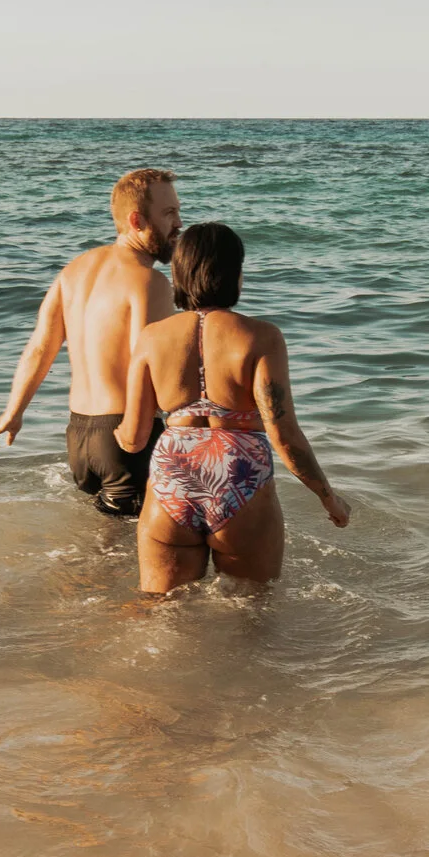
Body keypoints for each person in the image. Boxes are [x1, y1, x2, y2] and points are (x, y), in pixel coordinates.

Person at [115, 223, 350, 593]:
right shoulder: (262, 336)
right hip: (240, 476)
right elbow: (283, 434)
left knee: (160, 613)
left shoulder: (151, 337)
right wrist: (328, 497)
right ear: (235, 274)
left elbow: (133, 438)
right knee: (251, 614)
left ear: (178, 274)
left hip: (172, 476)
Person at [0, 168, 182, 516]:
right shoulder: (150, 282)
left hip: (79, 436)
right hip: (127, 436)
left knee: (104, 548)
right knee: (131, 555)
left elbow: (40, 347)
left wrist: (13, 413)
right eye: (169, 213)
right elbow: (145, 371)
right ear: (137, 220)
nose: (179, 223)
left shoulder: (73, 271)